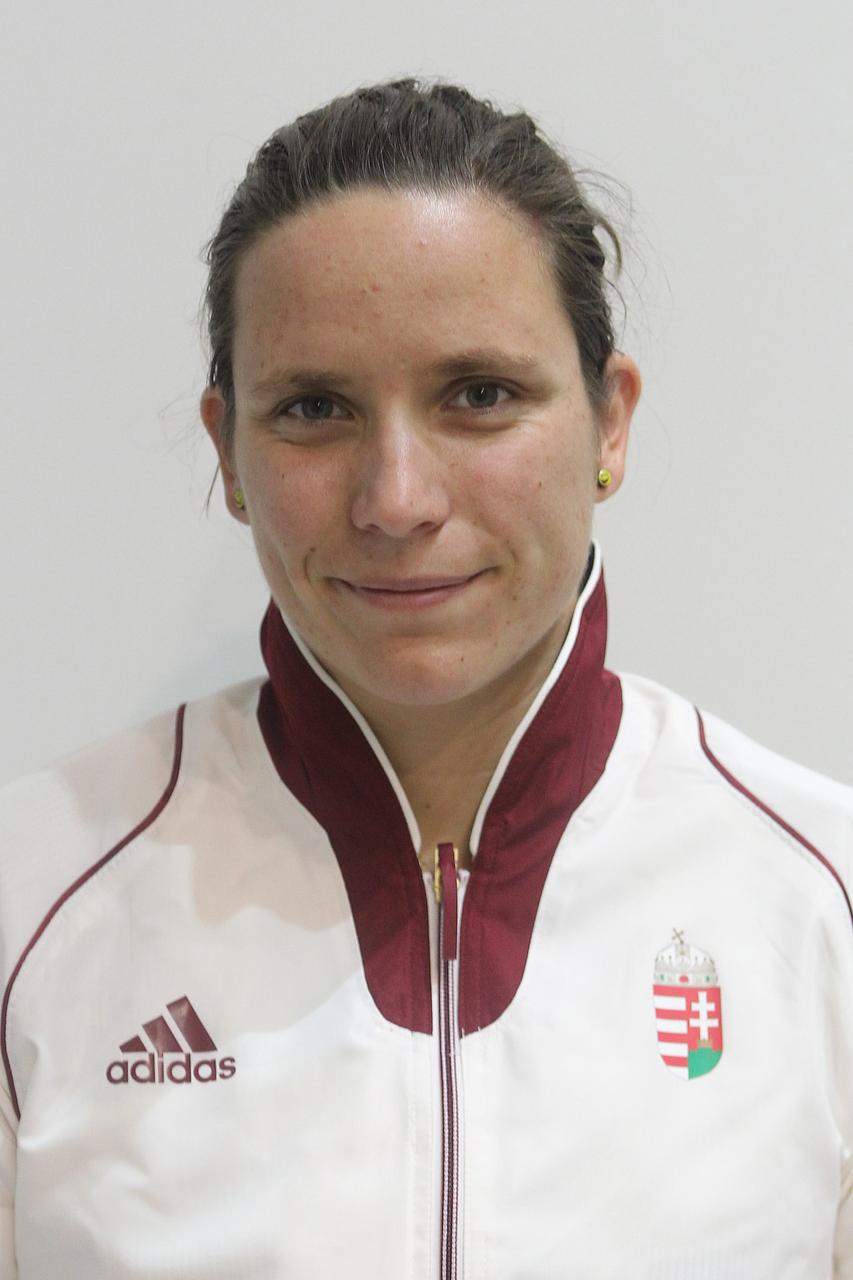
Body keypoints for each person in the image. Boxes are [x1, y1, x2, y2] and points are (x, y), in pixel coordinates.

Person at [0, 75, 850, 1280]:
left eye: (479, 395)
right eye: (314, 407)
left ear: (608, 424)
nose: (396, 499)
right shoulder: (31, 902)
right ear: (228, 452)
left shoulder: (818, 906)